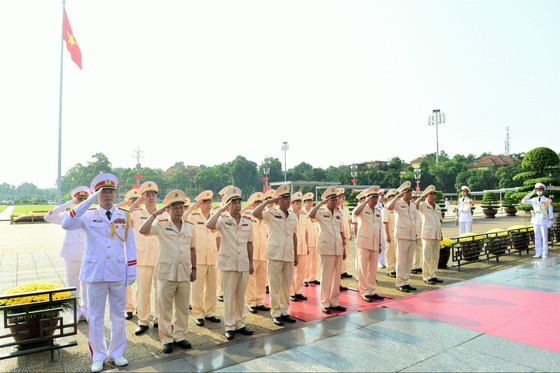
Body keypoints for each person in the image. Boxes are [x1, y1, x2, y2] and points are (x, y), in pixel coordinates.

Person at [62, 173, 136, 373]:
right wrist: (88, 200)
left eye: (111, 191)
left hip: (117, 271)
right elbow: (66, 224)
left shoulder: (124, 215)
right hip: (95, 273)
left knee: (118, 315)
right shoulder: (87, 214)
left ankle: (117, 352)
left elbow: (130, 245)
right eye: (103, 192)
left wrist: (131, 270)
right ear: (97, 194)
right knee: (95, 317)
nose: (108, 195)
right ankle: (98, 355)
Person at [139, 190, 196, 354]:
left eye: (181, 207)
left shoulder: (190, 227)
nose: (179, 210)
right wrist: (156, 214)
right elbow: (143, 230)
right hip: (166, 272)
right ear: (168, 210)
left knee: (183, 307)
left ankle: (179, 335)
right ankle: (166, 339)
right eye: (175, 208)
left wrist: (194, 268)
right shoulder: (161, 224)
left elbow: (193, 249)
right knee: (165, 308)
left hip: (184, 271)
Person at [207, 187, 254, 341]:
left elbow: (249, 244)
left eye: (239, 202)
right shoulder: (223, 220)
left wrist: (251, 262)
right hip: (228, 264)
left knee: (240, 296)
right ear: (228, 205)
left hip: (243, 263)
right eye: (233, 202)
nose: (237, 205)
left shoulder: (247, 221)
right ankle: (229, 326)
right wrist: (220, 210)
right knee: (228, 296)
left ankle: (240, 323)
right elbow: (209, 224)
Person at [252, 184, 298, 326]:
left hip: (288, 253)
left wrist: (296, 254)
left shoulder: (293, 216)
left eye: (289, 198)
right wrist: (268, 202)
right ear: (278, 201)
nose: (288, 201)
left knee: (286, 285)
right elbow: (255, 213)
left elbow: (294, 235)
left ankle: (285, 311)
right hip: (275, 254)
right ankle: (276, 312)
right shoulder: (271, 213)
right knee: (275, 284)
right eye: (284, 198)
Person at [44, 185, 90, 322]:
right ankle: (74, 312)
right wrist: (68, 204)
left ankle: (87, 310)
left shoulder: (92, 214)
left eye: (85, 199)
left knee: (87, 284)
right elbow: (48, 217)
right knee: (72, 284)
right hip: (71, 254)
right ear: (75, 200)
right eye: (79, 199)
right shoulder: (67, 215)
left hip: (88, 255)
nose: (82, 201)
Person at [128, 181, 162, 335]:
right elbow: (125, 215)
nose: (151, 198)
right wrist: (138, 201)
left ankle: (159, 318)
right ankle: (143, 320)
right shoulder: (136, 213)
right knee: (143, 291)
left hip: (160, 257)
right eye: (147, 195)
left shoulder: (163, 213)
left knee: (160, 291)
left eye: (153, 195)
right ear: (142, 197)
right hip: (143, 258)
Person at [184, 190, 221, 327]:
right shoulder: (193, 216)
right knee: (197, 288)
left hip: (212, 256)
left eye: (209, 202)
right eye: (204, 202)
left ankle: (210, 312)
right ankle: (198, 313)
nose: (207, 205)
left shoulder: (214, 217)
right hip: (198, 258)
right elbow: (182, 218)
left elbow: (218, 237)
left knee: (212, 286)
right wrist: (193, 207)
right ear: (199, 204)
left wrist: (220, 253)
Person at [309, 186, 347, 314]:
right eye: (332, 199)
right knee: (326, 277)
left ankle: (334, 301)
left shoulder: (338, 213)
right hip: (327, 248)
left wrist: (344, 248)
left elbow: (341, 231)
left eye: (336, 199)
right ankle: (325, 302)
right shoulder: (321, 212)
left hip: (338, 248)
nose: (335, 202)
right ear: (327, 201)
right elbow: (311, 214)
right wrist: (321, 203)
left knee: (337, 278)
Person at [352, 185, 384, 302]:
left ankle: (372, 290)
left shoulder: (378, 212)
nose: (375, 200)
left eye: (376, 198)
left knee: (372, 269)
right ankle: (364, 291)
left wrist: (380, 244)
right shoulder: (362, 209)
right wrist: (365, 201)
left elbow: (379, 229)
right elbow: (355, 213)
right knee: (363, 269)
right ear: (368, 198)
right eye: (373, 198)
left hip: (375, 243)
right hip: (364, 243)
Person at [386, 181, 418, 293]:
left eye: (410, 191)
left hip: (412, 235)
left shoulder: (413, 204)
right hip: (402, 235)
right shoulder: (398, 203)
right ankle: (400, 282)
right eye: (407, 191)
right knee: (401, 260)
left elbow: (415, 220)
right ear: (402, 193)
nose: (410, 193)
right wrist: (397, 197)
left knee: (409, 261)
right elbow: (389, 207)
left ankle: (406, 281)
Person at [242, 192, 270, 314]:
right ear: (252, 206)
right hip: (252, 254)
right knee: (250, 279)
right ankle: (251, 302)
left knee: (262, 279)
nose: (259, 205)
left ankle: (259, 301)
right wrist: (248, 207)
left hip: (263, 253)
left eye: (261, 203)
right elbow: (236, 214)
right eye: (256, 203)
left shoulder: (265, 219)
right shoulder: (247, 217)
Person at [117, 188, 141, 320]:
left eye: (138, 199)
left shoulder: (143, 213)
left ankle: (140, 306)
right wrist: (125, 204)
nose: (136, 202)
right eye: (133, 200)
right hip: (128, 252)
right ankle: (128, 307)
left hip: (142, 251)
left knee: (142, 283)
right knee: (128, 283)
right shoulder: (124, 213)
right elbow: (114, 209)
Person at [414, 185, 444, 285]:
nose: (433, 196)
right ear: (427, 196)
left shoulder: (438, 206)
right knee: (427, 256)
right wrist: (422, 196)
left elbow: (439, 221)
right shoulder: (423, 205)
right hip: (427, 234)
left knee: (436, 256)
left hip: (437, 234)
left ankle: (433, 274)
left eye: (434, 194)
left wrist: (441, 233)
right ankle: (426, 275)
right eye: (431, 194)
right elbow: (415, 205)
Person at [522, 182, 554, 258]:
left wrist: (550, 221)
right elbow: (523, 201)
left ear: (543, 190)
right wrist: (531, 193)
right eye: (537, 190)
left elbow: (550, 211)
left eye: (540, 190)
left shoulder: (547, 200)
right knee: (537, 237)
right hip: (536, 221)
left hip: (544, 221)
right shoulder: (533, 199)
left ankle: (545, 252)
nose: (538, 191)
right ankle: (538, 252)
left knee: (544, 237)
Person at [289, 191, 308, 302]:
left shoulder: (304, 214)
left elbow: (305, 231)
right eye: (296, 202)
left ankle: (298, 291)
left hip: (303, 246)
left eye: (300, 202)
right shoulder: (288, 214)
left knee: (301, 271)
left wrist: (307, 245)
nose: (299, 204)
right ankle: (291, 292)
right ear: (292, 203)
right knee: (291, 271)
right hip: (292, 247)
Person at [302, 192, 319, 287]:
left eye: (311, 201)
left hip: (316, 240)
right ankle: (305, 278)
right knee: (307, 262)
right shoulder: (302, 213)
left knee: (314, 261)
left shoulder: (315, 212)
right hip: (307, 241)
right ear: (304, 203)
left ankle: (312, 278)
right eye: (307, 201)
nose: (309, 203)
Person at [337, 188, 353, 280]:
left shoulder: (346, 209)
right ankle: (338, 272)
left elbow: (348, 221)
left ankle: (343, 271)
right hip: (339, 235)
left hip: (346, 233)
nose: (341, 199)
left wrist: (350, 233)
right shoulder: (336, 209)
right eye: (339, 197)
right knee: (339, 253)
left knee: (346, 253)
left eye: (342, 196)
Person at [382, 189, 398, 278]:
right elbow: (385, 223)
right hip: (389, 233)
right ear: (388, 199)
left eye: (394, 197)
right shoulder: (385, 209)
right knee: (389, 252)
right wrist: (387, 235)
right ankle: (390, 269)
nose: (393, 199)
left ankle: (395, 268)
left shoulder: (396, 208)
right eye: (391, 197)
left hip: (397, 233)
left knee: (396, 252)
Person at [410, 191, 423, 275]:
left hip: (419, 231)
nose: (414, 199)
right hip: (412, 232)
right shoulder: (410, 207)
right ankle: (411, 266)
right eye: (413, 198)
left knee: (418, 249)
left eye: (415, 198)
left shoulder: (418, 208)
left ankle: (416, 265)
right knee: (412, 250)